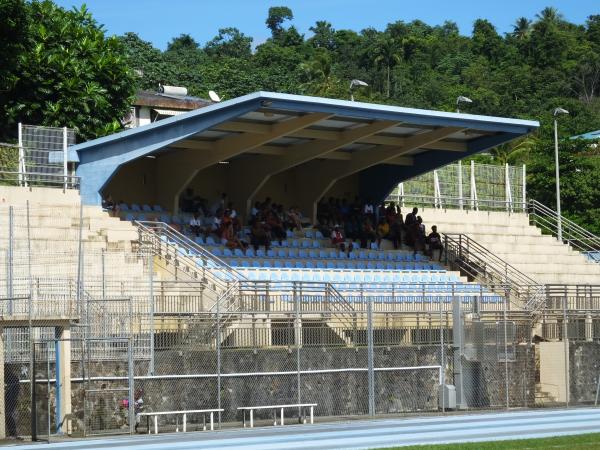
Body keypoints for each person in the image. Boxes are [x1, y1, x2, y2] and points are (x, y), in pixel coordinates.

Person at [4, 367, 20, 439]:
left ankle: (13, 433)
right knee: (8, 414)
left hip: (10, 399)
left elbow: (15, 390)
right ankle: (12, 433)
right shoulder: (6, 377)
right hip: (8, 399)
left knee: (8, 414)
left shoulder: (12, 377)